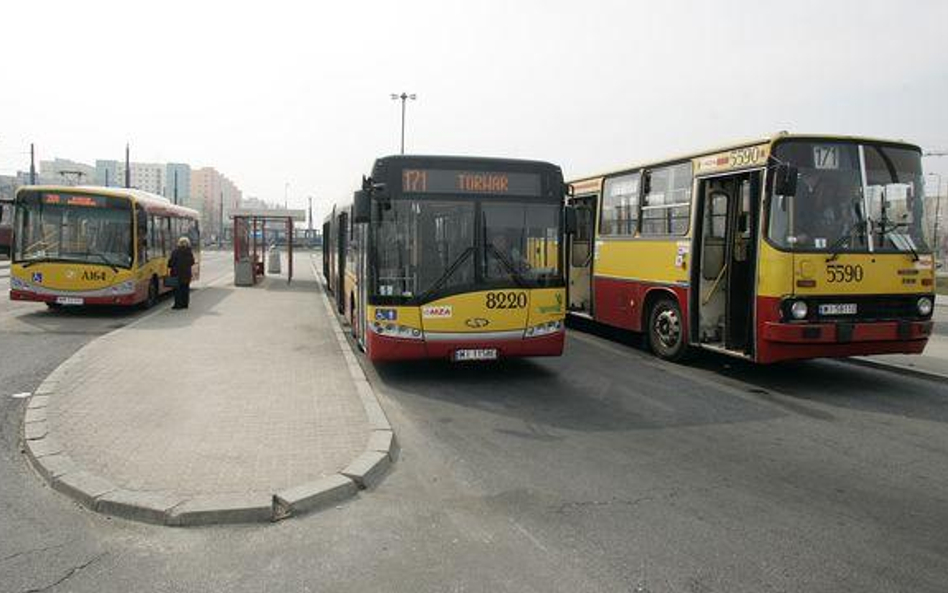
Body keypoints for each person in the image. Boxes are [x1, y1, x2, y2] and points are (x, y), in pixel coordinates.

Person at [168, 236, 195, 310]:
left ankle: (177, 305)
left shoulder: (175, 251)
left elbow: (171, 263)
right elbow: (192, 262)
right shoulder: (189, 252)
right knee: (185, 289)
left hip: (176, 274)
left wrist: (171, 265)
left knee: (177, 290)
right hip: (186, 274)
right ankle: (185, 304)